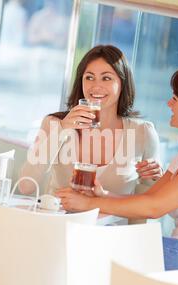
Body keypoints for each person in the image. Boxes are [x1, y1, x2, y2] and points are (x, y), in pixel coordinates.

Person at [56, 66, 178, 271]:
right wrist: (102, 195)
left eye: (175, 99)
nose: (169, 103)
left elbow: (154, 208)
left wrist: (90, 203)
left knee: (96, 245)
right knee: (99, 240)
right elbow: (149, 198)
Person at [19, 44, 163, 196]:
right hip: (59, 218)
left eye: (106, 78)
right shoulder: (54, 123)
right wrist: (61, 130)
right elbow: (25, 186)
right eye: (89, 77)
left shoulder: (143, 132)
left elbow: (147, 202)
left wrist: (157, 179)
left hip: (111, 220)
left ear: (122, 83)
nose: (96, 86)